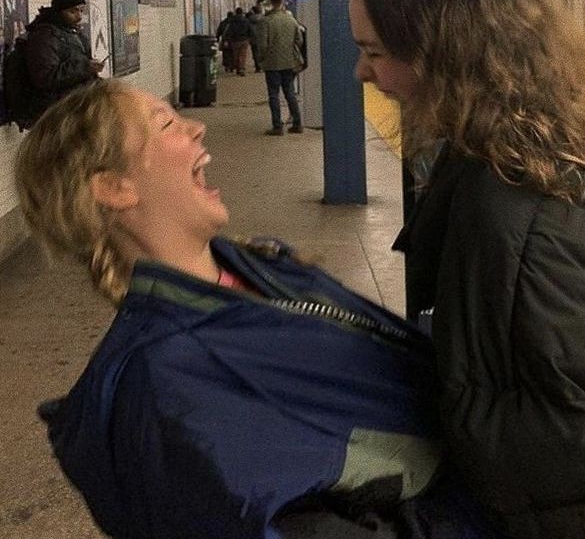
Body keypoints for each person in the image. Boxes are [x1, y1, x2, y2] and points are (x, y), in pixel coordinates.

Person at [15, 79, 501, 539]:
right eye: (165, 124)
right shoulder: (166, 383)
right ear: (115, 188)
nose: (196, 126)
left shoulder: (261, 262)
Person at [349, 0, 585, 539]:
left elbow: (569, 426)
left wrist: (457, 467)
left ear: (441, 51)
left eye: (373, 51)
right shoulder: (499, 152)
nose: (361, 72)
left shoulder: (514, 201)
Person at [25, 0, 104, 121]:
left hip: (77, 106)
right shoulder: (45, 36)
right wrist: (85, 67)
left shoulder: (73, 32)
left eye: (80, 10)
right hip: (58, 113)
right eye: (72, 11)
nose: (79, 16)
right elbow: (45, 77)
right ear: (59, 11)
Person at [257, 0, 304, 135]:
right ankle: (297, 124)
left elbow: (262, 45)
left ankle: (277, 126)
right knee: (290, 93)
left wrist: (262, 60)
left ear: (271, 2)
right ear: (282, 2)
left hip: (272, 64)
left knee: (273, 94)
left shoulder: (266, 22)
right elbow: (299, 40)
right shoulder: (291, 20)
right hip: (289, 62)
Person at [223, 5, 252, 75]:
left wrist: (226, 40)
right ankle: (241, 68)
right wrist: (250, 38)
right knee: (243, 54)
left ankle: (237, 67)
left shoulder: (232, 21)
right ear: (242, 13)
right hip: (244, 40)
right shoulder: (246, 21)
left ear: (236, 12)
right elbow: (250, 30)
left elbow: (229, 31)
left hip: (235, 40)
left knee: (235, 55)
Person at [247, 2, 264, 72]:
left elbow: (248, 29)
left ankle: (258, 67)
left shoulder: (249, 20)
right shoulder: (264, 19)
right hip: (262, 38)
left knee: (255, 53)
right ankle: (263, 65)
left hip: (253, 38)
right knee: (262, 52)